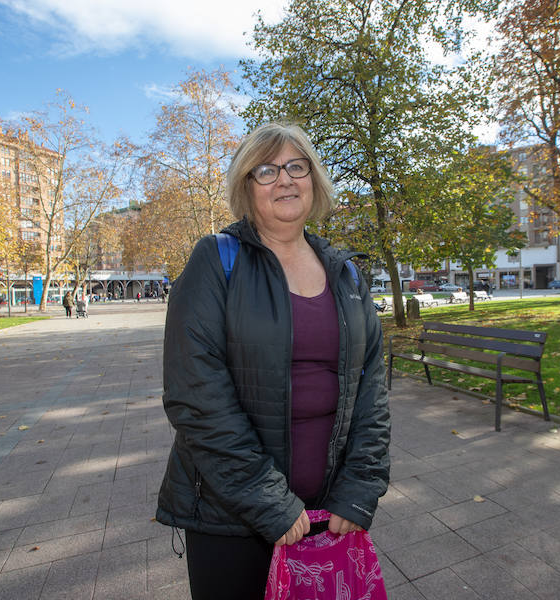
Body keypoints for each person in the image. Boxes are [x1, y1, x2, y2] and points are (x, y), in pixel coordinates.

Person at [156, 122, 391, 600]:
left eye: (296, 166)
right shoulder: (216, 261)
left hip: (328, 510)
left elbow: (372, 390)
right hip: (231, 517)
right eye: (266, 170)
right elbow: (195, 398)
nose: (285, 179)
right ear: (247, 186)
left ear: (314, 179)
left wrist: (360, 486)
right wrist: (269, 502)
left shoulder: (345, 273)